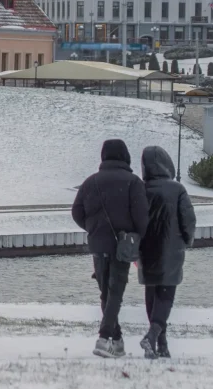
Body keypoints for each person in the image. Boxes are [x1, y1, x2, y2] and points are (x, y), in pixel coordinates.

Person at [71, 139, 149, 358]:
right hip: (122, 245)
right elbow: (142, 218)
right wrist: (136, 236)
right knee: (114, 293)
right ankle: (104, 338)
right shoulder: (133, 183)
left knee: (106, 293)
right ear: (125, 156)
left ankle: (117, 340)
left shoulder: (91, 182)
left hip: (98, 245)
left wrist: (93, 228)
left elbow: (77, 212)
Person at [138, 145, 197, 359]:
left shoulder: (141, 189)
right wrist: (187, 240)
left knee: (152, 295)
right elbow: (188, 220)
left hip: (146, 250)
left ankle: (161, 344)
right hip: (171, 249)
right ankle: (153, 336)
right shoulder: (177, 189)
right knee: (166, 296)